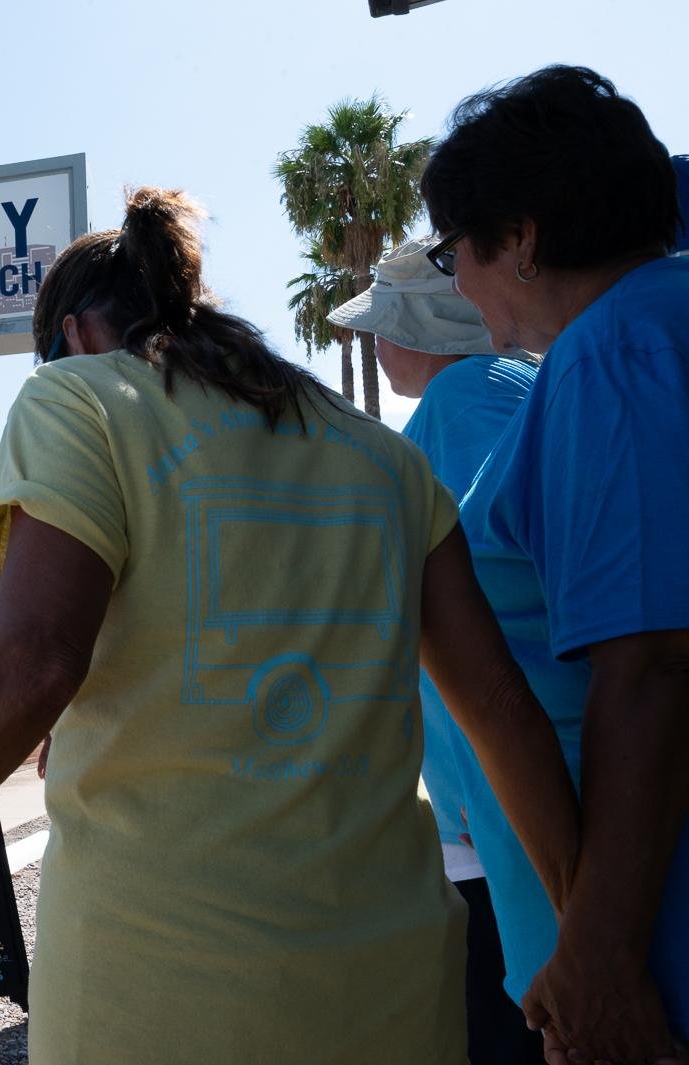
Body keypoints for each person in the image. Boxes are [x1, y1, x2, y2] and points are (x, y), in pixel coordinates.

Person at [0, 186, 585, 1063]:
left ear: (76, 334)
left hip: (157, 1000)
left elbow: (32, 665)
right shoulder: (386, 458)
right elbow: (504, 708)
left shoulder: (80, 402)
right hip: (395, 999)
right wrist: (592, 938)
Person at [421, 64, 689, 1065]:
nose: (462, 289)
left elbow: (654, 663)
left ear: (521, 237)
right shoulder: (654, 326)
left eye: (455, 255)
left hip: (647, 961)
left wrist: (603, 956)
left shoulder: (614, 350)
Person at [328, 236, 543, 1064]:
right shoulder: (524, 385)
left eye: (383, 323)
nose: (374, 344)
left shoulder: (456, 408)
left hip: (503, 820)